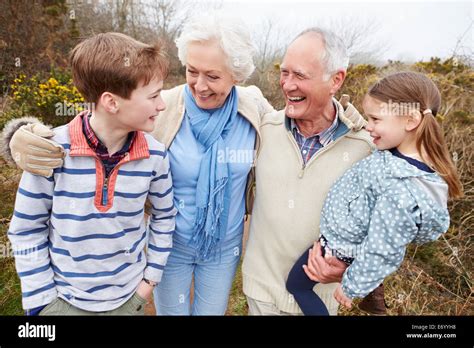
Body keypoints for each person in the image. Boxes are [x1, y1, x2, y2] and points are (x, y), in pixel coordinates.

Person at [2, 12, 274, 315]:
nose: (199, 85)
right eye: (191, 71)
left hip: (224, 245)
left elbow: (295, 130)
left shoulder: (254, 108)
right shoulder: (162, 105)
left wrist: (337, 113)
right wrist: (20, 135)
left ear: (236, 75)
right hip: (172, 245)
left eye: (213, 76)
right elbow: (100, 120)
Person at [7, 32, 177, 315]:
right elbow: (26, 228)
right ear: (111, 102)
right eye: (154, 96)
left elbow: (165, 216)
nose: (162, 105)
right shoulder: (49, 151)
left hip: (128, 301)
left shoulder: (155, 155)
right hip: (62, 303)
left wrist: (149, 281)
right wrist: (41, 302)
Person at [286, 71, 463, 315]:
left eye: (376, 119)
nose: (369, 126)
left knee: (296, 286)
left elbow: (383, 247)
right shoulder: (397, 154)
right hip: (339, 240)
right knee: (298, 286)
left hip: (339, 249)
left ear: (410, 120)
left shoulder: (402, 189)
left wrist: (352, 285)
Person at [242, 28, 373, 315]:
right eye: (284, 72)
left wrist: (349, 266)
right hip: (261, 295)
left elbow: (383, 228)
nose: (288, 85)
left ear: (336, 80)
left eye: (300, 76)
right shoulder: (263, 129)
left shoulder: (365, 149)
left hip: (316, 301)